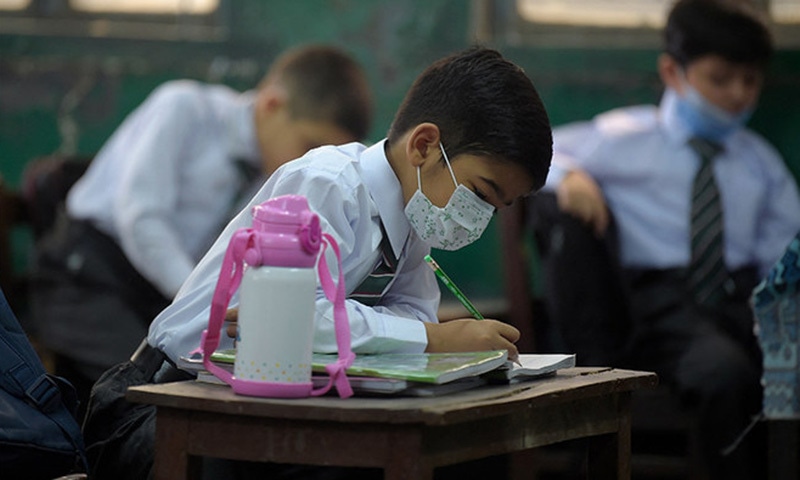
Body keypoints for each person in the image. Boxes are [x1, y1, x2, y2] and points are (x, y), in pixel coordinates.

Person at [81, 45, 553, 480]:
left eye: (498, 207)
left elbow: (402, 318)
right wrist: (431, 339)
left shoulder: (412, 224)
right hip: (165, 407)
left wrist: (380, 332)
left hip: (256, 406)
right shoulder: (327, 184)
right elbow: (285, 319)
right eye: (481, 194)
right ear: (425, 146)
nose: (481, 218)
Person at [29, 44, 373, 422]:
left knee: (223, 386)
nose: (313, 161)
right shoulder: (183, 108)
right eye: (310, 145)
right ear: (272, 104)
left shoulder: (283, 175)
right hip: (86, 279)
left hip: (169, 297)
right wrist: (208, 305)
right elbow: (143, 221)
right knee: (151, 396)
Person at [534, 1, 800, 479]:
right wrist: (572, 176)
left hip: (737, 303)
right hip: (655, 306)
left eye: (751, 80)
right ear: (672, 72)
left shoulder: (761, 166)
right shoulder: (625, 137)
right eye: (720, 79)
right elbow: (538, 157)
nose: (738, 94)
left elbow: (783, 255)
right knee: (722, 372)